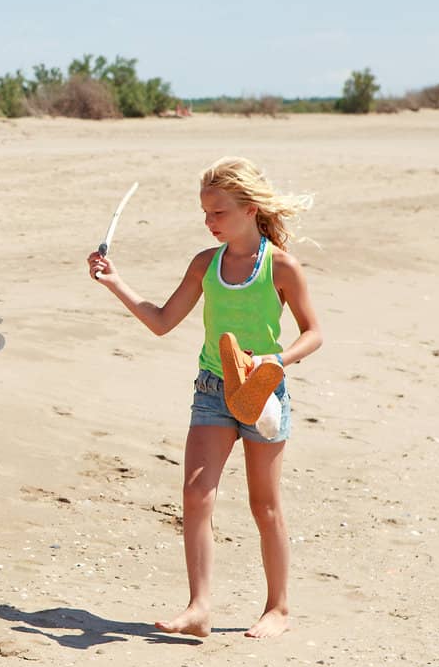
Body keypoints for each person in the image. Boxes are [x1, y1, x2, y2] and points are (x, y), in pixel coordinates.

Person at [87, 157, 322, 639]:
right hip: (213, 391)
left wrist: (275, 360)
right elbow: (161, 320)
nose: (209, 223)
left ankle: (278, 608)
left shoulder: (280, 266)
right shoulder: (205, 264)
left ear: (250, 209)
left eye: (218, 213)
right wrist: (116, 283)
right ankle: (199, 609)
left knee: (265, 505)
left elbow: (314, 333)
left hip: (263, 394)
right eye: (205, 214)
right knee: (196, 495)